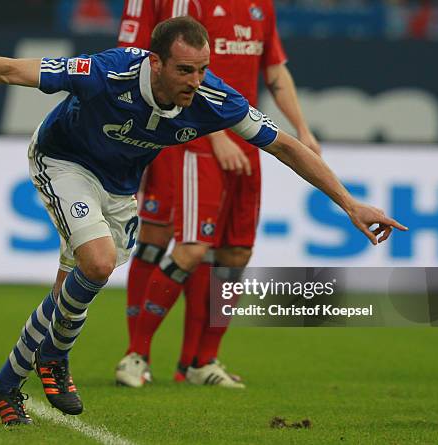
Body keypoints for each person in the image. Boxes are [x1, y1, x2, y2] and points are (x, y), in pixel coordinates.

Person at [0, 16, 406, 425]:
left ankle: (6, 384)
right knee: (98, 261)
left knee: (69, 289)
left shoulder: (211, 99)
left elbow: (287, 148)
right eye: (185, 70)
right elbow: (10, 70)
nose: (196, 82)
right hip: (63, 161)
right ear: (155, 63)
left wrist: (349, 202)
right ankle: (55, 359)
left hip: (118, 188)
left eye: (203, 69)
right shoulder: (106, 71)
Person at [115, 0, 320, 388]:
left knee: (235, 253)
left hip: (250, 139)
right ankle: (136, 353)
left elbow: (275, 71)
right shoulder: (192, 5)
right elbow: (178, 72)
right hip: (199, 140)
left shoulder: (262, 7)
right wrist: (217, 134)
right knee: (186, 246)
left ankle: (201, 361)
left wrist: (302, 129)